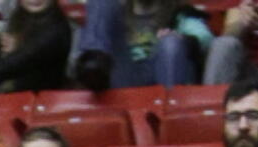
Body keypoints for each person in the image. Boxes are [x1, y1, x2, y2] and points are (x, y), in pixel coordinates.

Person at [73, 0, 202, 90]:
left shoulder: (181, 12)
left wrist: (182, 38)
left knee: (170, 43)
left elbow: (204, 39)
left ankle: (168, 116)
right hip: (124, 74)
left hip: (162, 75)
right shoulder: (116, 16)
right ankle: (94, 65)